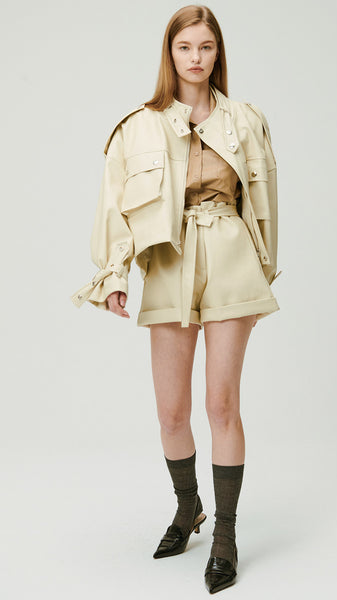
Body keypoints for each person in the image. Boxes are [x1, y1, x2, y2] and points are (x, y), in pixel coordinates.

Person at [71, 4, 282, 594]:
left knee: (222, 405)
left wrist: (263, 273)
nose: (196, 57)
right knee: (171, 412)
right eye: (185, 46)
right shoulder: (137, 126)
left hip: (232, 259)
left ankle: (225, 536)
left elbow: (266, 201)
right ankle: (189, 508)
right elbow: (114, 205)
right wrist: (114, 274)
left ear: (218, 54)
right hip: (168, 261)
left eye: (206, 47)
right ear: (170, 53)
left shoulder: (245, 119)